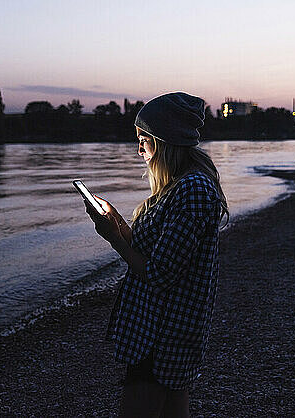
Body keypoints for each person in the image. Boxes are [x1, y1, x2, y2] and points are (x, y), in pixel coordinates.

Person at [83, 92, 229, 417]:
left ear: (164, 141)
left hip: (163, 335)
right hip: (162, 332)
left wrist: (113, 240)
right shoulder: (178, 187)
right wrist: (118, 225)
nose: (139, 149)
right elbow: (158, 252)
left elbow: (160, 274)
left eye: (144, 140)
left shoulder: (192, 190)